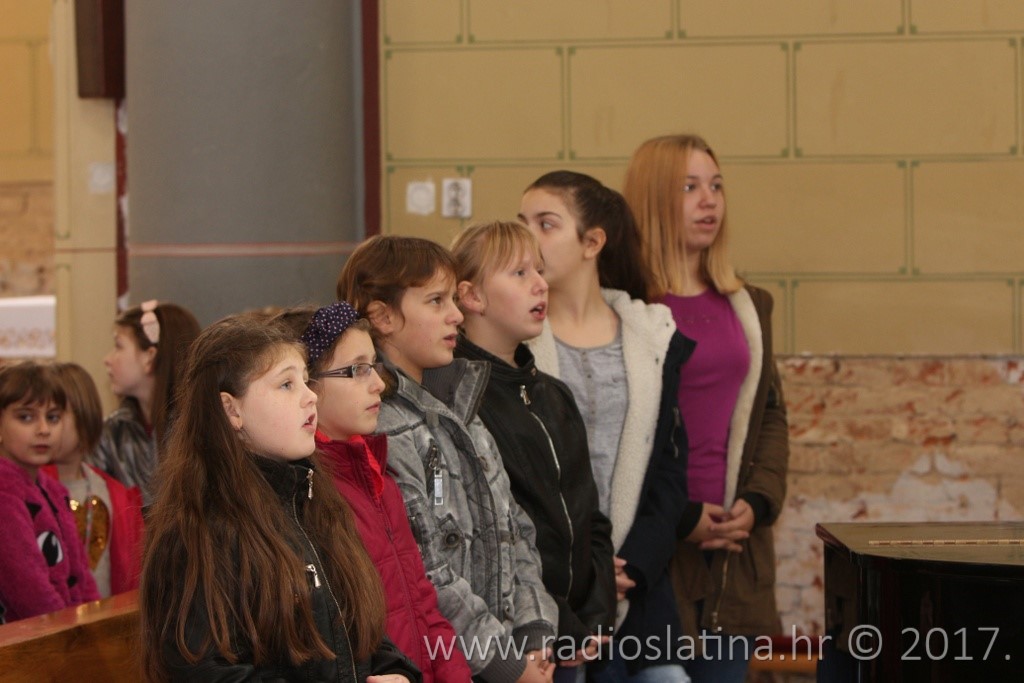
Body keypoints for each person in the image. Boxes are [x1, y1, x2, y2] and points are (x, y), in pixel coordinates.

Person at [137, 315, 420, 683]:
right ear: (232, 410)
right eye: (287, 384)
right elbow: (202, 670)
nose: (310, 395)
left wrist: (395, 672)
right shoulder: (197, 530)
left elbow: (360, 631)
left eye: (305, 379)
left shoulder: (316, 502)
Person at [336, 235, 558, 683]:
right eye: (437, 301)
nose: (456, 315)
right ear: (383, 317)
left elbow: (514, 528)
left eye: (454, 299)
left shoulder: (461, 408)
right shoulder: (381, 426)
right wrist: (505, 663)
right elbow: (426, 569)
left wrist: (534, 629)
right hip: (450, 664)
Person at [519, 171, 699, 682]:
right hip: (551, 588)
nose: (527, 237)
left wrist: (633, 563)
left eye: (545, 224)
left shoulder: (653, 338)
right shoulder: (514, 340)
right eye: (521, 222)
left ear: (592, 242)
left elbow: (669, 469)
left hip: (638, 585)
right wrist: (580, 568)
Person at [624, 134, 790, 683]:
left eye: (716, 186)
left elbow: (770, 413)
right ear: (652, 198)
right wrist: (682, 517)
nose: (709, 200)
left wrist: (757, 502)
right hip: (656, 544)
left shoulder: (747, 304)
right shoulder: (626, 306)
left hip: (733, 550)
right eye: (689, 187)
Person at [451, 220, 616, 683]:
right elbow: (501, 536)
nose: (541, 284)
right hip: (517, 642)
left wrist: (598, 612)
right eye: (520, 273)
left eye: (540, 271)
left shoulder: (554, 395)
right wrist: (556, 619)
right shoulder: (464, 404)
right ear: (472, 296)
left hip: (576, 634)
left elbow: (590, 517)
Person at [288, 301, 472, 683]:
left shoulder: (379, 478)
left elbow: (423, 602)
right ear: (308, 385)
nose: (378, 384)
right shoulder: (308, 496)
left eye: (374, 366)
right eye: (357, 370)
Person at [0, 362, 100, 623]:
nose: (43, 429)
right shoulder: (4, 492)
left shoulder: (53, 489)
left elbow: (81, 575)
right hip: (26, 641)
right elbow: (30, 593)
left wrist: (94, 622)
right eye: (26, 417)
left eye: (53, 417)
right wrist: (73, 631)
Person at [42, 362, 144, 597]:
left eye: (53, 417)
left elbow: (131, 575)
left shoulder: (115, 494)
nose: (43, 428)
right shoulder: (30, 489)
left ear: (84, 417)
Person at [90, 300, 201, 505]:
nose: (108, 359)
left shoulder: (199, 430)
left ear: (149, 357)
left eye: (118, 346)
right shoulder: (112, 434)